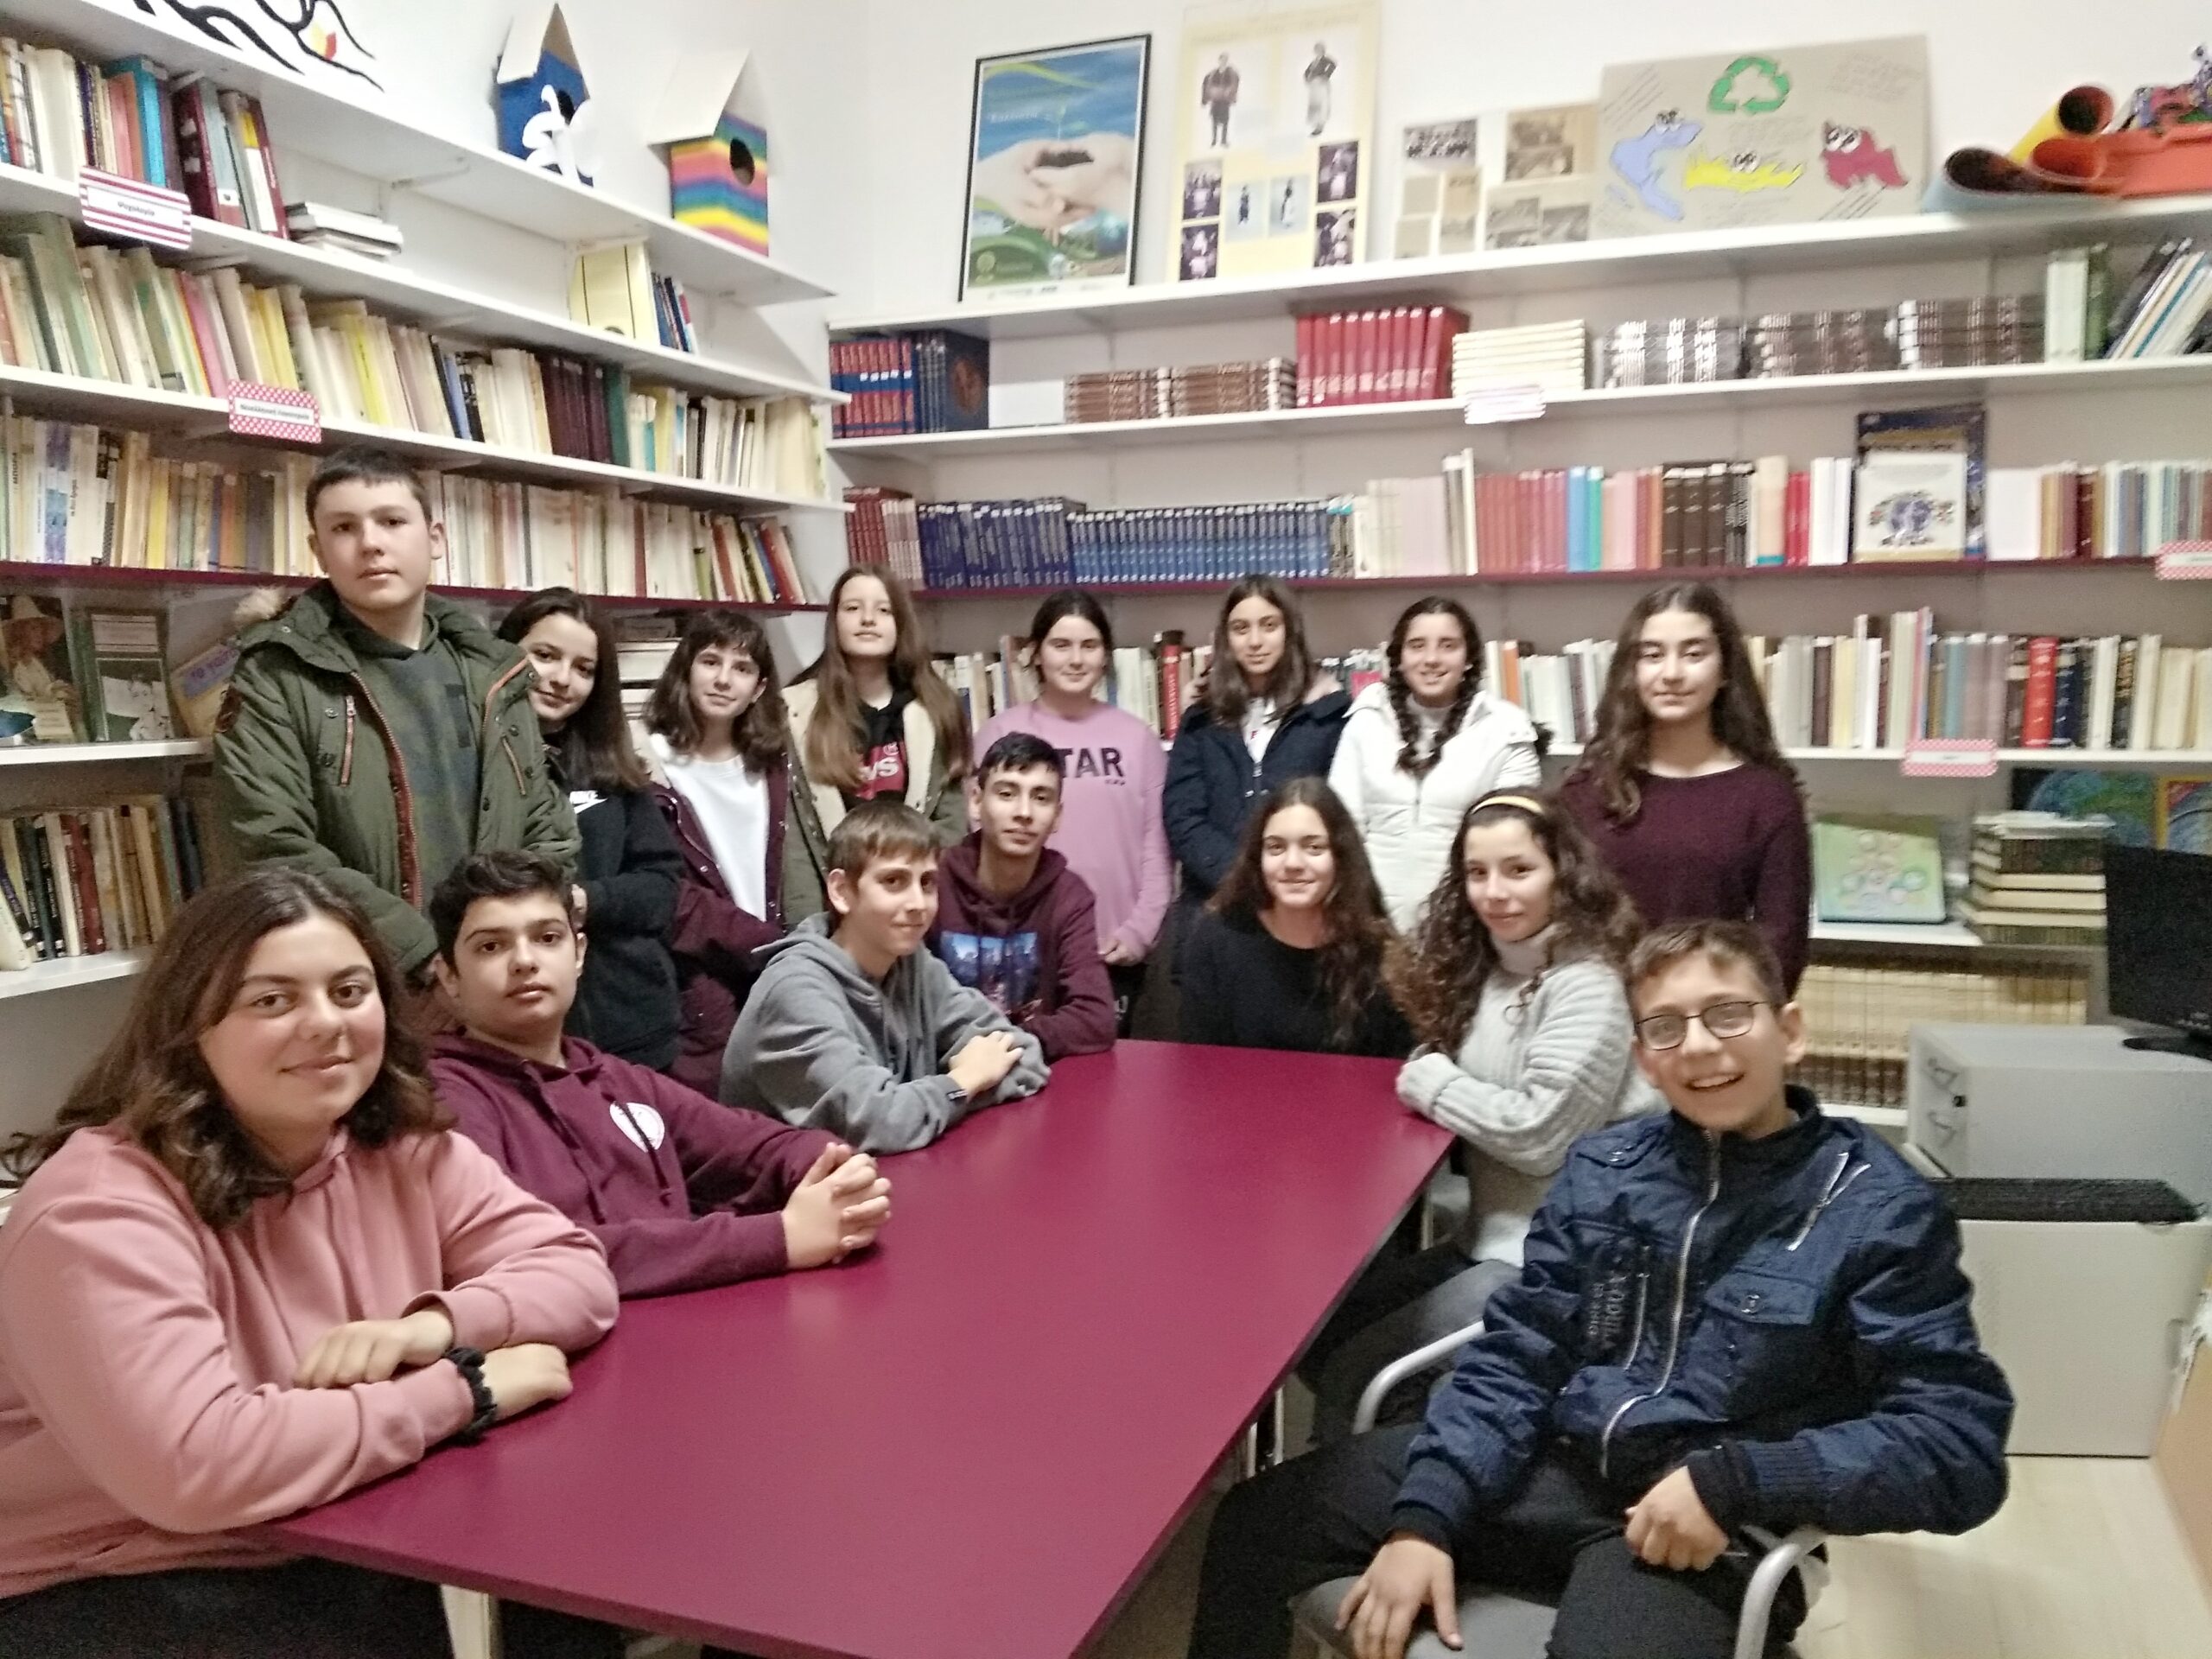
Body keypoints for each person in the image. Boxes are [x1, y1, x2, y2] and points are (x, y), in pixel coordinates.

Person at [1184, 919, 2013, 1659]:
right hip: (1552, 1470)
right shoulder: (1607, 1170)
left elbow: (1955, 1444)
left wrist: (1738, 1482)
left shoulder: (1876, 1207)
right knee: (1256, 1522)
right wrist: (1425, 1517)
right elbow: (1520, 1355)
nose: (1699, 1046)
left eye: (1728, 1014)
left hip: (1705, 1531)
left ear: (1789, 1031)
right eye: (1665, 1027)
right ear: (1645, 1058)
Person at [0, 868, 622, 1658]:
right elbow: (198, 1467)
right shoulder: (96, 1209)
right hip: (110, 1572)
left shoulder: (399, 1145)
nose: (326, 1024)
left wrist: (434, 1327)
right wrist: (465, 1388)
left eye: (350, 991)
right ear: (188, 1026)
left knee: (564, 1602)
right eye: (272, 1001)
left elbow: (574, 1270)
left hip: (327, 1521)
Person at [1301, 791, 1658, 1444]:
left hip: (1555, 1262)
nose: (1495, 893)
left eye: (1519, 870)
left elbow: (1541, 1136)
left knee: (1362, 1372)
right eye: (1477, 873)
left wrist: (1434, 1082)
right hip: (1486, 1235)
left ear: (1563, 873)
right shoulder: (1492, 970)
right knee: (1317, 1328)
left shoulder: (1587, 982)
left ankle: (1359, 1492)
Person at [426, 852, 891, 1299]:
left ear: (579, 953)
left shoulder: (616, 1079)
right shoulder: (445, 1102)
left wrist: (836, 1174)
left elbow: (756, 1144)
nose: (525, 961)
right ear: (449, 977)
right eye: (491, 946)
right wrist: (780, 1237)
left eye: (547, 938)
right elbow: (539, 1254)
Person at [213, 447, 578, 995]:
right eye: (344, 528)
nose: (370, 543)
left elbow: (544, 821)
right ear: (318, 550)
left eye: (391, 521)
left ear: (434, 538)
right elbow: (271, 845)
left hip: (499, 977)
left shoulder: (496, 670)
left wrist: (509, 945)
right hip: (363, 979)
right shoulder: (276, 674)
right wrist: (427, 958)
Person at [722, 800, 1048, 1154]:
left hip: (886, 1175)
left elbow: (1024, 1055)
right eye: (894, 881)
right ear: (841, 892)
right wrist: (963, 1082)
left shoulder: (911, 962)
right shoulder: (794, 991)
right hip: (778, 1187)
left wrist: (930, 1104)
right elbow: (881, 1122)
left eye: (927, 883)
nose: (918, 904)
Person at [1560, 582, 1811, 992]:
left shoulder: (1768, 797)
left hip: (1713, 1015)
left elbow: (1782, 944)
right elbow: (1562, 922)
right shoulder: (1586, 791)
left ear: (1725, 669)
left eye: (1694, 654)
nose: (1672, 674)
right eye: (1652, 655)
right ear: (1631, 670)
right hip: (1599, 1011)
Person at [497, 589, 684, 1071]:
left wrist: (586, 901)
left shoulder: (611, 766)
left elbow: (661, 888)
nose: (563, 679)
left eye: (584, 669)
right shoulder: (475, 763)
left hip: (629, 1019)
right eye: (544, 656)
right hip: (515, 1024)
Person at [974, 590, 1171, 1028]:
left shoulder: (1137, 738)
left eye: (1089, 645)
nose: (1076, 659)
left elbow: (1156, 850)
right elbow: (979, 847)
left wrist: (1139, 932)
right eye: (1061, 645)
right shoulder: (1000, 734)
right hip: (1020, 949)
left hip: (1112, 953)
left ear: (1106, 656)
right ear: (1036, 653)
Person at [642, 609, 794, 1095]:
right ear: (686, 668)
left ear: (760, 687)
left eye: (742, 668)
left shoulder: (776, 765)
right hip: (700, 982)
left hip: (778, 971)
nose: (724, 679)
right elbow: (669, 894)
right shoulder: (648, 763)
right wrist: (770, 947)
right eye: (711, 661)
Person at [1327, 597, 1542, 932]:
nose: (1431, 659)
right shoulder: (1365, 722)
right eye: (1417, 646)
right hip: (1370, 924)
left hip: (1468, 926)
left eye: (1448, 646)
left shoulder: (1506, 730)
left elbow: (1513, 842)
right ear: (1398, 658)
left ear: (1469, 658)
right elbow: (1341, 828)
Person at [784, 565, 969, 925]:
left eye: (883, 610)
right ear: (834, 621)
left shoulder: (935, 709)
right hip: (830, 910)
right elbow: (794, 840)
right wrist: (808, 933)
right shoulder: (795, 710)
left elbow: (950, 823)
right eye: (853, 608)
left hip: (913, 910)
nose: (867, 619)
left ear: (901, 623)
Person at [1164, 575, 1349, 934]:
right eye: (1240, 628)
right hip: (1214, 907)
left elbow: (1340, 816)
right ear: (1225, 638)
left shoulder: (1328, 715)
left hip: (1303, 905)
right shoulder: (1201, 719)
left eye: (1269, 626)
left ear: (1289, 631)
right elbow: (1182, 816)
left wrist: (1285, 876)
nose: (1255, 641)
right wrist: (1245, 879)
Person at [1179, 777, 1410, 1057]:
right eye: (1276, 847)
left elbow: (1394, 1067)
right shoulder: (1217, 938)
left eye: (1314, 847)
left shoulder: (1377, 948)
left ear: (1340, 857)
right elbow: (1201, 1060)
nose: (1292, 864)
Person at [931, 734, 1116, 1061]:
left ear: (1057, 816)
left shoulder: (1069, 895)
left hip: (1029, 1071)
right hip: (941, 1069)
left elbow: (1095, 1019)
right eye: (1007, 794)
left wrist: (1005, 1044)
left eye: (1041, 798)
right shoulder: (932, 884)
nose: (1024, 812)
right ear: (975, 801)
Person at [1202, 52, 1239, 147]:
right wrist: (1205, 99)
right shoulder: (1213, 73)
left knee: (1225, 120)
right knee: (1214, 120)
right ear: (1219, 61)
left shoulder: (1230, 73)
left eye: (1225, 60)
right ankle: (1214, 140)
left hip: (1225, 100)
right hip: (1216, 99)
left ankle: (1223, 140)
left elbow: (1235, 82)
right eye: (1222, 60)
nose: (1223, 61)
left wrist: (1229, 92)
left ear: (1226, 61)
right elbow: (1207, 83)